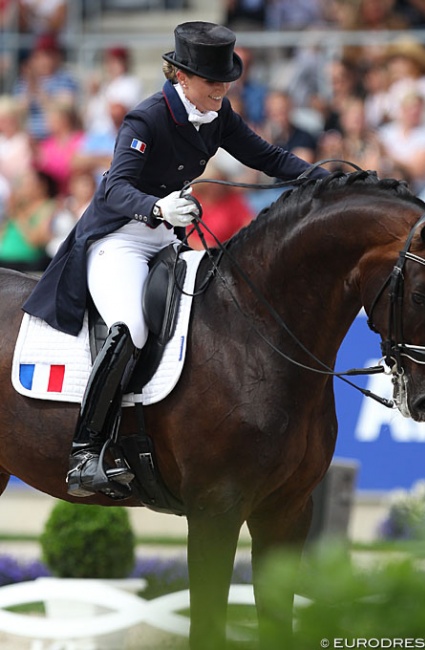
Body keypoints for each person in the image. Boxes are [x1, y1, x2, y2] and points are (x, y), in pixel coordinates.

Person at [22, 21, 329, 499]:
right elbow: (118, 186)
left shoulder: (217, 114)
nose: (223, 90)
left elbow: (268, 157)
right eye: (213, 82)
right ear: (182, 78)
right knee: (132, 327)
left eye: (227, 81)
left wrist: (324, 179)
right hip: (119, 238)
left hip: (166, 239)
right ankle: (85, 451)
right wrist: (157, 206)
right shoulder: (146, 119)